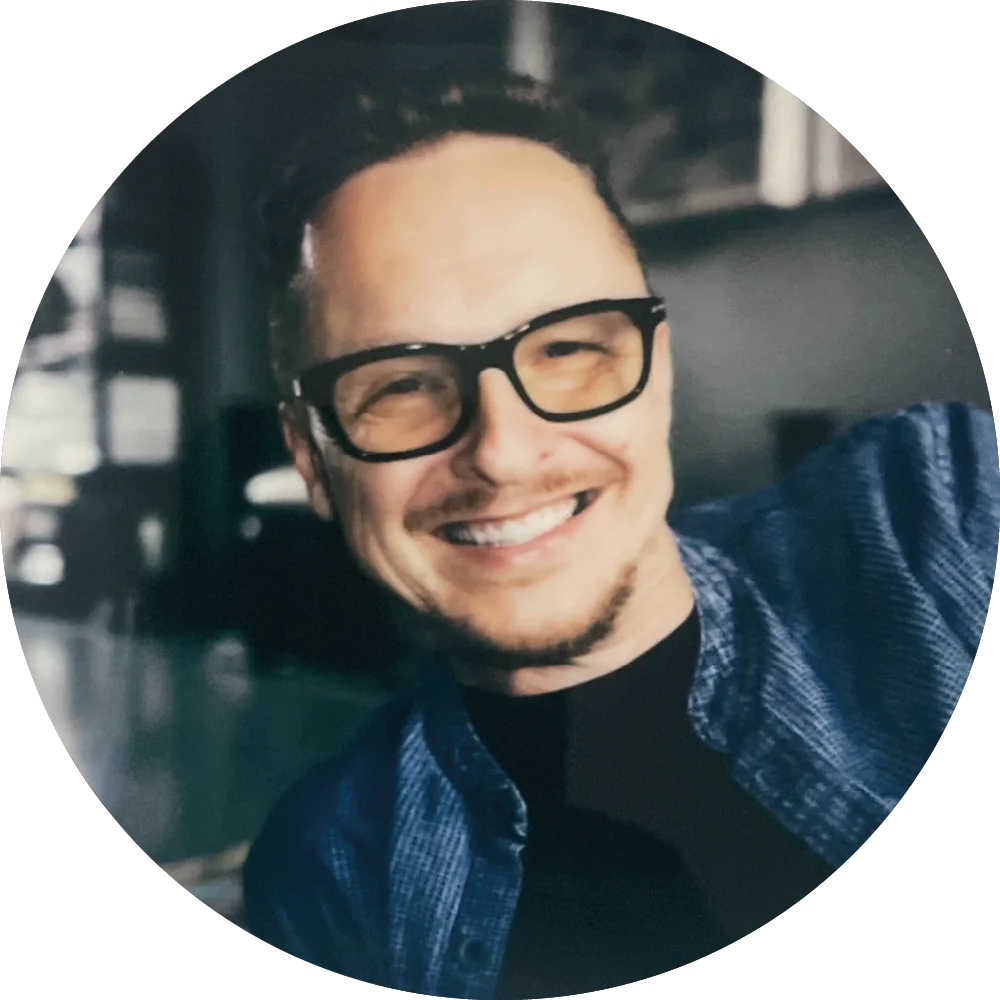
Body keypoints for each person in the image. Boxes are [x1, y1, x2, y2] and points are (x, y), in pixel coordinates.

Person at [241, 67, 999, 999]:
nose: (504, 454)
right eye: (401, 385)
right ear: (313, 459)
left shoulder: (940, 517)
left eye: (565, 348)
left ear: (658, 370)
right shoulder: (327, 872)